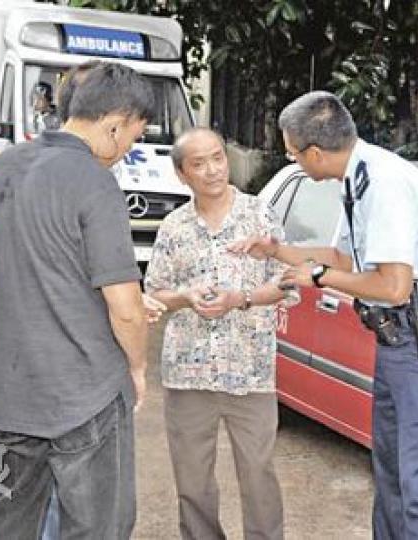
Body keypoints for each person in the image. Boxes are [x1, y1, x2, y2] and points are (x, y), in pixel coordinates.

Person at [230, 91, 418, 540]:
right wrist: (279, 251)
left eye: (293, 154)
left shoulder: (385, 184)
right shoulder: (359, 177)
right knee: (392, 474)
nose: (295, 162)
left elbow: (394, 287)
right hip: (398, 343)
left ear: (315, 152)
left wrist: (319, 277)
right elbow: (345, 258)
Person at [0, 63, 153, 539]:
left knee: (10, 521)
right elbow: (125, 305)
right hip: (83, 392)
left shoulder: (3, 167)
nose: (125, 152)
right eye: (131, 139)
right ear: (114, 124)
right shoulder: (94, 182)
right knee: (98, 525)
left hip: (9, 388)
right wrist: (136, 368)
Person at [145, 127, 288, 540]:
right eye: (199, 163)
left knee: (258, 475)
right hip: (188, 375)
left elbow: (288, 284)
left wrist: (240, 298)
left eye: (217, 158)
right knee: (192, 481)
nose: (212, 170)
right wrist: (186, 297)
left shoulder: (260, 215)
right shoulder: (173, 227)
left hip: (251, 372)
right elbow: (154, 291)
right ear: (181, 174)